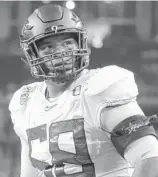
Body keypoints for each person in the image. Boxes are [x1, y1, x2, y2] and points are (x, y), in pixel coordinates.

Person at [9, 4, 158, 177]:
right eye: (48, 47)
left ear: (80, 43)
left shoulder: (100, 89)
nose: (60, 52)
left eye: (67, 43)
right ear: (33, 54)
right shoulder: (26, 103)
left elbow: (149, 158)